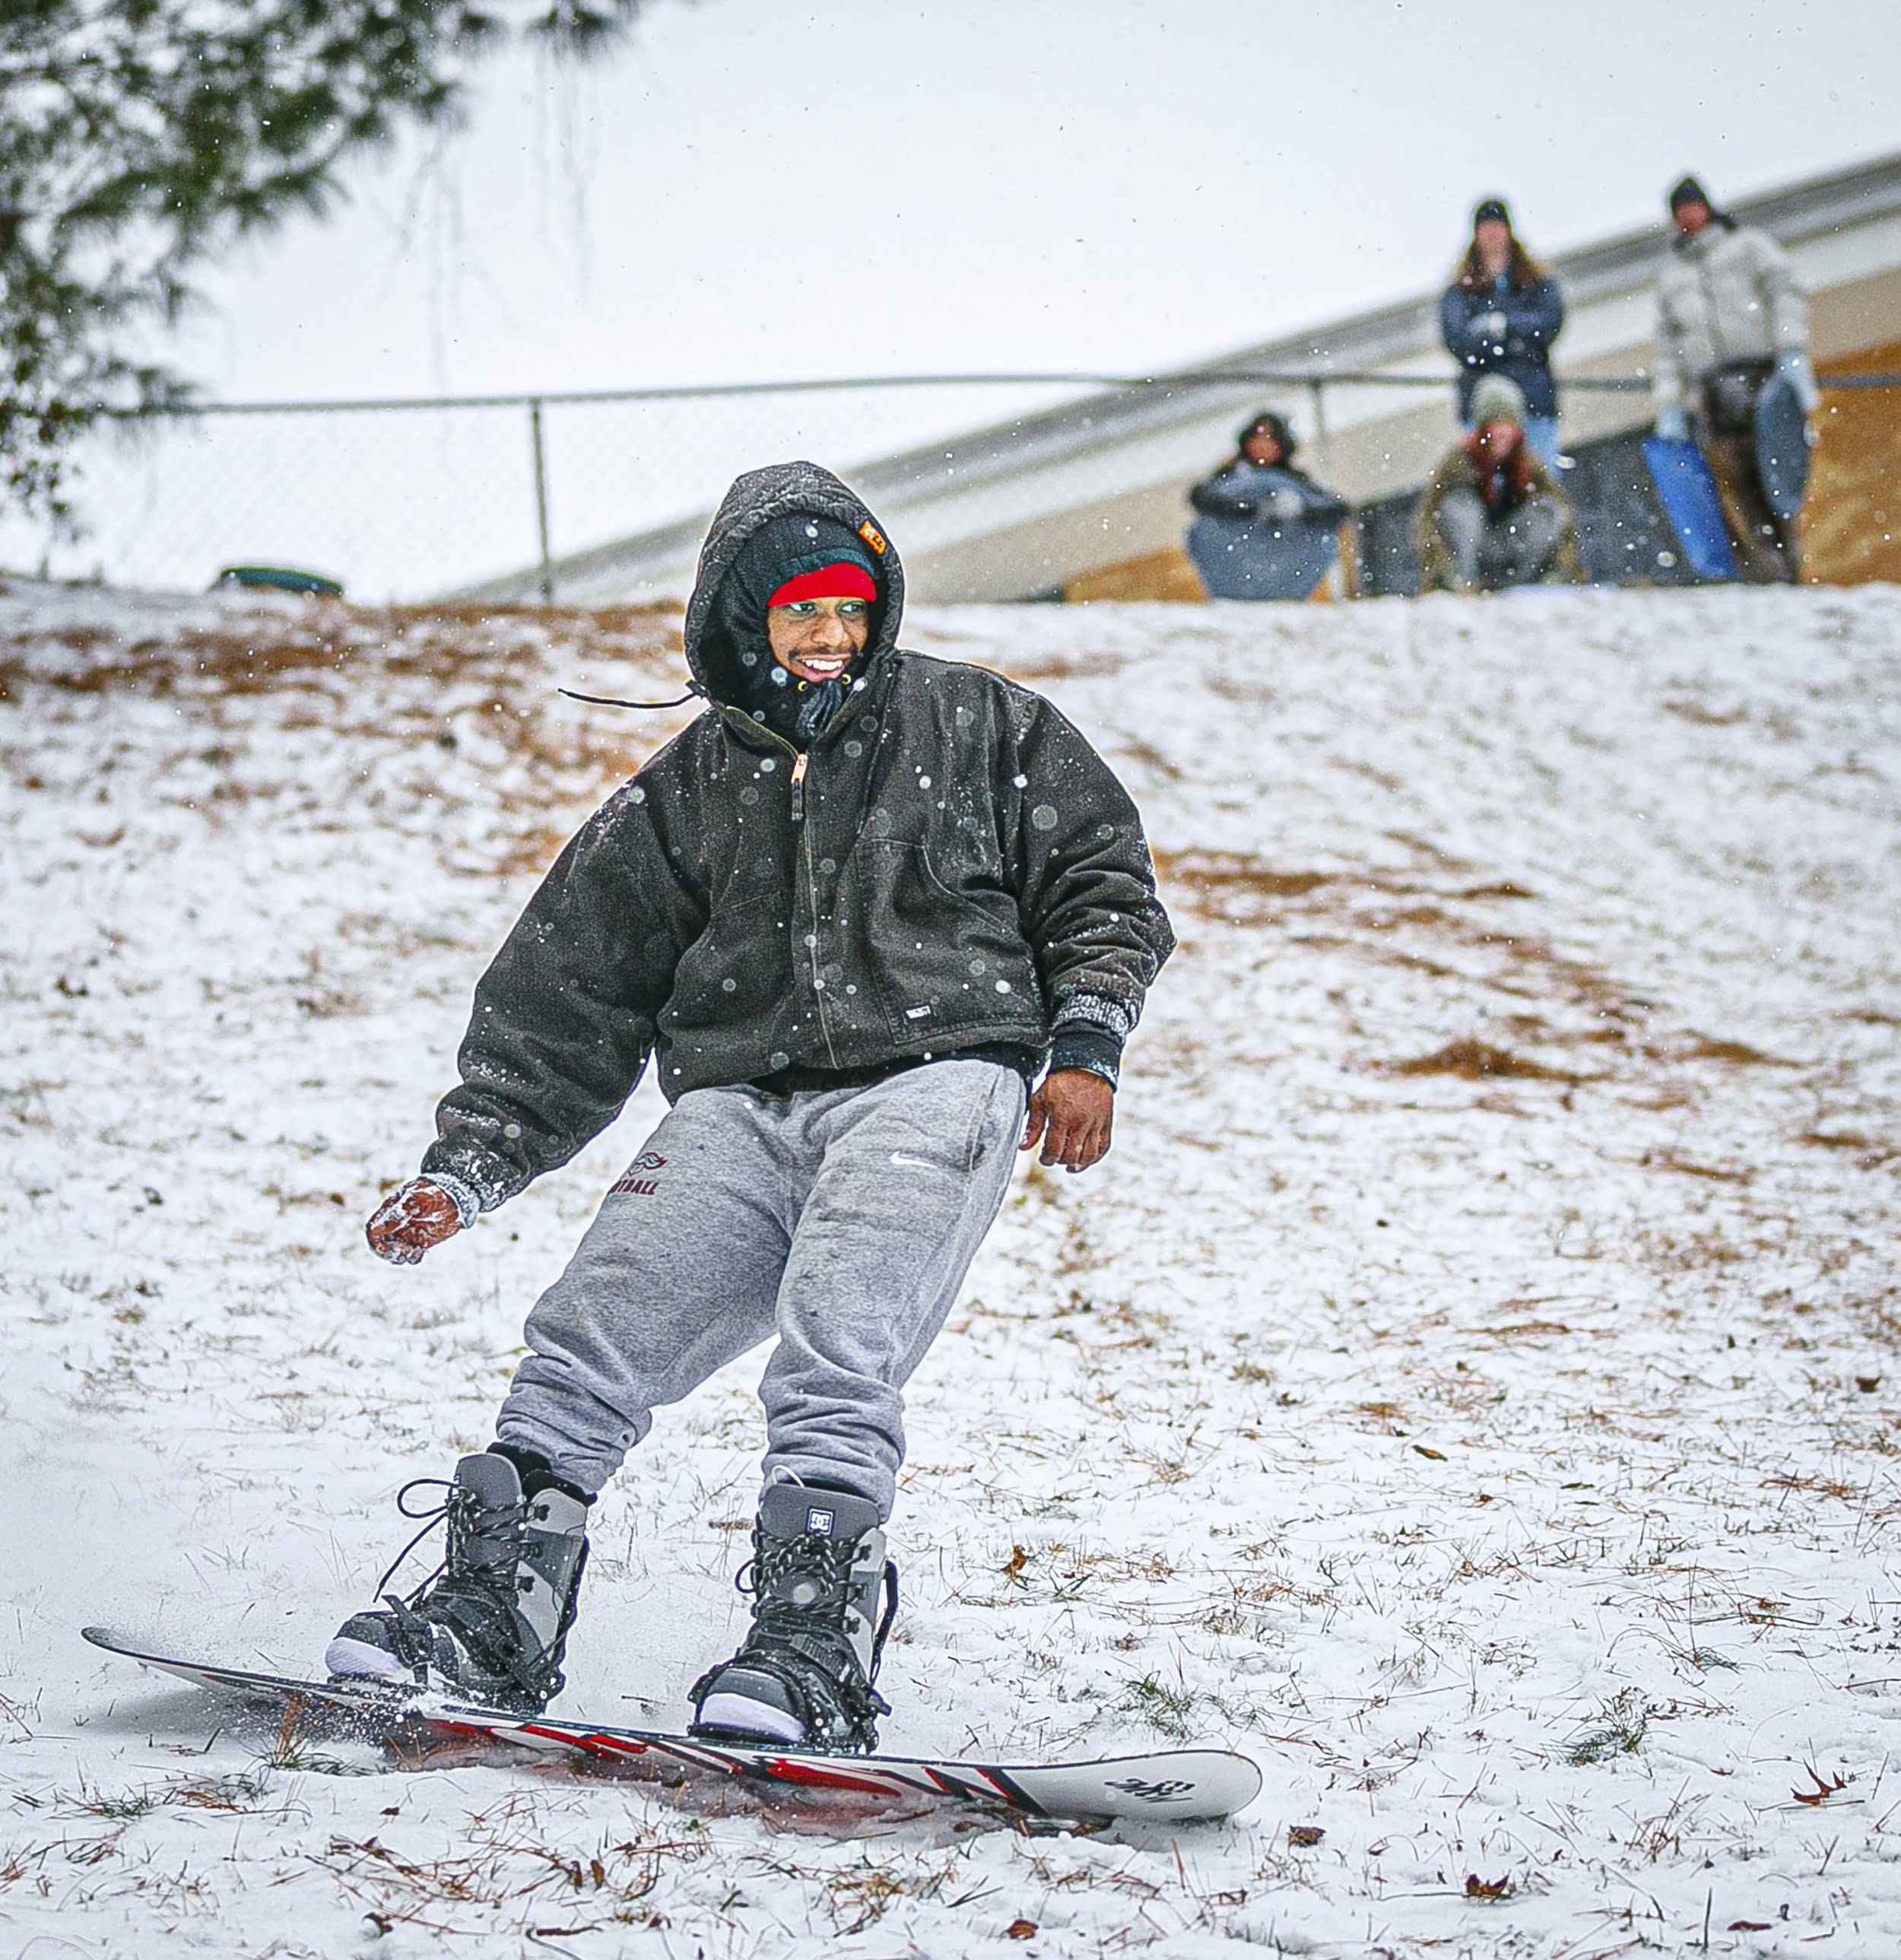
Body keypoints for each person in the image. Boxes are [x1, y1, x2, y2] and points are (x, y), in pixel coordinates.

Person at [325, 460, 1176, 1755]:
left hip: (939, 1077)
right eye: (800, 611)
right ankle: (493, 1616)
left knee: (838, 1345)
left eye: (850, 607)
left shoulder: (979, 725)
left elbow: (1102, 883)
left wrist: (1087, 1043)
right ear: (744, 618)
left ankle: (810, 1646)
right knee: (588, 1333)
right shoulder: (684, 791)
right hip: (738, 1100)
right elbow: (568, 990)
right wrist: (472, 1163)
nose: (831, 634)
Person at [1652, 173, 1815, 584]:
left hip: (1761, 380)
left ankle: (1794, 567)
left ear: (1707, 207)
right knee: (1736, 490)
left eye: (1692, 207)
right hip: (1713, 395)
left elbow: (1786, 293)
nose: (1688, 217)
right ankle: (1765, 574)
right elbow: (1668, 347)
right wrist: (1671, 403)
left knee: (1776, 480)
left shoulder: (1748, 248)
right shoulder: (1673, 277)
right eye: (1680, 211)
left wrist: (1791, 349)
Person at [1414, 373, 1583, 593]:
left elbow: (1563, 518)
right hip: (1474, 554)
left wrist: (1561, 568)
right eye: (1496, 424)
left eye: (1508, 424)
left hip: (1513, 552)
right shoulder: (1459, 462)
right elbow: (1428, 520)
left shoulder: (1529, 464)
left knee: (1547, 510)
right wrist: (1444, 570)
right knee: (1459, 506)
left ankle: (1528, 582)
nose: (1503, 432)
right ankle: (1465, 582)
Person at [1439, 197, 1566, 469]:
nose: (1492, 235)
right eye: (1486, 228)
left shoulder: (1536, 280)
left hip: (1534, 401)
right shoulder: (1459, 290)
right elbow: (1459, 341)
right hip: (1482, 407)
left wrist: (1501, 326)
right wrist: (1515, 341)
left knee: (1540, 477)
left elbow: (1549, 325)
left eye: (1497, 227)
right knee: (1488, 482)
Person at [1185, 410, 1350, 600]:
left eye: (1270, 438)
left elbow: (1337, 509)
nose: (1262, 444)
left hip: (1286, 581)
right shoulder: (1229, 475)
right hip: (1235, 577)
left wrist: (1300, 511)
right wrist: (1252, 508)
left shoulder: (1296, 480)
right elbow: (1201, 497)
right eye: (1257, 437)